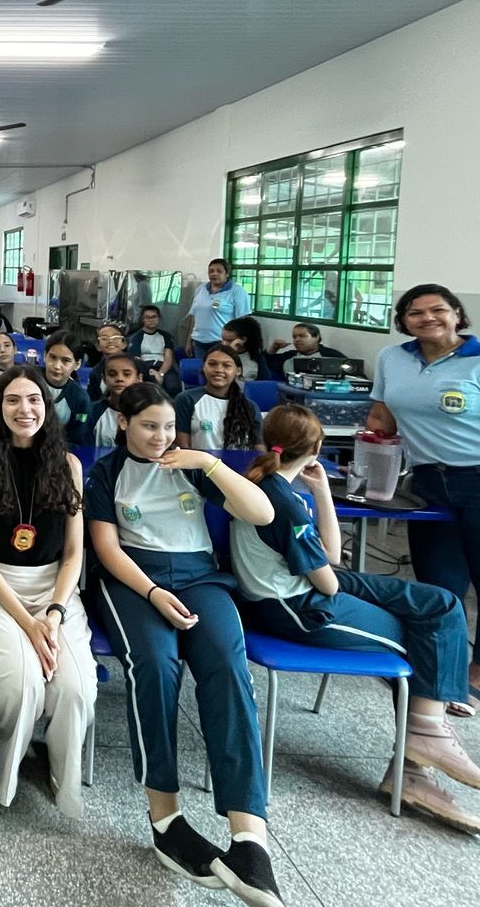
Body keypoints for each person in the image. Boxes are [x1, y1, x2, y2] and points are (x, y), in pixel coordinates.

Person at [231, 404, 480, 835]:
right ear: (318, 448)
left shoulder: (270, 484)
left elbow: (332, 559)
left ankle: (424, 738)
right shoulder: (280, 503)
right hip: (302, 609)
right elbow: (328, 582)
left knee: (442, 605)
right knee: (427, 635)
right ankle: (416, 765)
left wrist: (321, 493)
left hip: (307, 589)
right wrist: (317, 515)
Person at [86, 382, 284, 906]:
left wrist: (207, 462)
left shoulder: (194, 466)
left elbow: (262, 513)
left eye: (169, 426)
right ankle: (166, 818)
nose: (160, 436)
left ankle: (248, 837)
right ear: (124, 423)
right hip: (134, 578)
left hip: (200, 576)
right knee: (154, 665)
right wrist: (152, 592)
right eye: (149, 425)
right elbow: (105, 547)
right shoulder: (105, 473)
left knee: (227, 667)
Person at [366, 284, 480, 716]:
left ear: (458, 315)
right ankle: (439, 673)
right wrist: (371, 439)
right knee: (439, 588)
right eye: (415, 312)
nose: (427, 318)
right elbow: (383, 415)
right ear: (403, 321)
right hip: (430, 485)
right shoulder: (393, 358)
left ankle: (478, 678)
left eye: (438, 310)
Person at [0, 368, 94, 818]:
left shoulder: (69, 466)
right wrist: (27, 622)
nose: (25, 410)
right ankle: (7, 757)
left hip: (56, 589)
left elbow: (74, 553)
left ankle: (62, 772)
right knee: (21, 681)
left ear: (47, 407)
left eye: (34, 400)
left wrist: (53, 615)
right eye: (13, 400)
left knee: (75, 687)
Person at [175, 345, 263, 452]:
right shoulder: (186, 399)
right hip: (199, 466)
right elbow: (183, 446)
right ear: (203, 367)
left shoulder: (250, 406)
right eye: (212, 364)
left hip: (240, 466)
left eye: (227, 366)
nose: (219, 370)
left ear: (238, 371)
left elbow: (259, 446)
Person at [188, 260, 252, 358]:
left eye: (219, 271)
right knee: (202, 371)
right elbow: (193, 318)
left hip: (222, 342)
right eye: (211, 271)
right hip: (199, 342)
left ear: (226, 274)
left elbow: (243, 321)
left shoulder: (237, 291)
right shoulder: (201, 289)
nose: (214, 274)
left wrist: (237, 344)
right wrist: (189, 341)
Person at [40, 331, 92, 446]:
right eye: (52, 357)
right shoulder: (28, 382)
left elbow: (76, 439)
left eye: (66, 361)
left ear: (77, 364)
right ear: (44, 356)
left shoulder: (80, 398)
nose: (57, 366)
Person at [92, 353, 142, 447]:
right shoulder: (93, 411)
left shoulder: (147, 411)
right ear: (104, 379)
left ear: (139, 378)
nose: (119, 379)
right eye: (112, 374)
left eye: (126, 374)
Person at [127, 305, 180, 390]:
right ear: (142, 319)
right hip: (145, 367)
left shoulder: (165, 336)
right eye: (147, 317)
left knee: (173, 385)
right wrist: (149, 371)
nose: (151, 320)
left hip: (164, 367)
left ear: (159, 318)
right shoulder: (136, 337)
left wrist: (160, 374)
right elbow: (136, 359)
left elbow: (168, 358)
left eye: (154, 317)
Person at [266, 323, 347, 379]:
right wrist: (274, 348)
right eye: (294, 337)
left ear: (316, 337)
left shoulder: (331, 355)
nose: (297, 340)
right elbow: (264, 362)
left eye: (302, 336)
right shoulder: (289, 357)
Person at [220, 317, 271, 381]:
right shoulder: (217, 354)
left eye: (230, 341)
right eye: (223, 339)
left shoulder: (256, 358)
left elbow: (264, 383)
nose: (224, 344)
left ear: (243, 339)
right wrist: (230, 353)